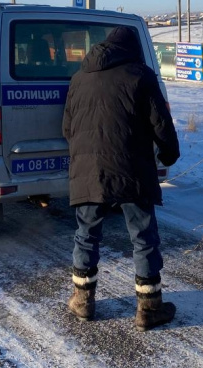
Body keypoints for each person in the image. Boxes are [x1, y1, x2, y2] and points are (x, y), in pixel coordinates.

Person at [62, 26, 181, 332]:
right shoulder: (140, 75)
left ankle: (83, 302)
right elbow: (161, 124)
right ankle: (149, 308)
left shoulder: (79, 78)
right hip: (133, 169)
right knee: (143, 238)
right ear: (133, 49)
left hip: (90, 171)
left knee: (86, 234)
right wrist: (169, 154)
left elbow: (67, 129)